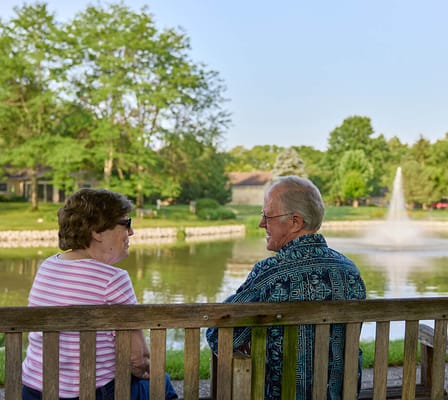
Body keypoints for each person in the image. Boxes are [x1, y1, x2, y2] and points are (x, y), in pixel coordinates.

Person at [206, 176, 366, 399]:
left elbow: (220, 335)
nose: (261, 223)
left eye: (267, 216)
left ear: (295, 222)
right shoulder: (350, 272)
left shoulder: (270, 274)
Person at [21, 188, 178, 400]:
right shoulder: (113, 279)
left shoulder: (47, 266)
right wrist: (148, 371)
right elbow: (138, 359)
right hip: (91, 393)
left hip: (34, 390)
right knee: (162, 382)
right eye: (126, 223)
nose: (131, 232)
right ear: (97, 231)